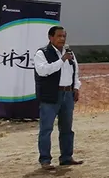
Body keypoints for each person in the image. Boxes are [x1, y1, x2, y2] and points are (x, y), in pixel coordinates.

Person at [33, 25, 83, 170]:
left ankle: (66, 157)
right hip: (51, 95)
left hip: (68, 94)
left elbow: (76, 72)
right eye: (59, 36)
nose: (62, 39)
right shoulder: (42, 53)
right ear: (51, 38)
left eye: (64, 36)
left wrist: (76, 87)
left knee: (67, 128)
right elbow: (43, 71)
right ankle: (45, 160)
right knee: (46, 129)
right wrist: (62, 60)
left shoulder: (69, 53)